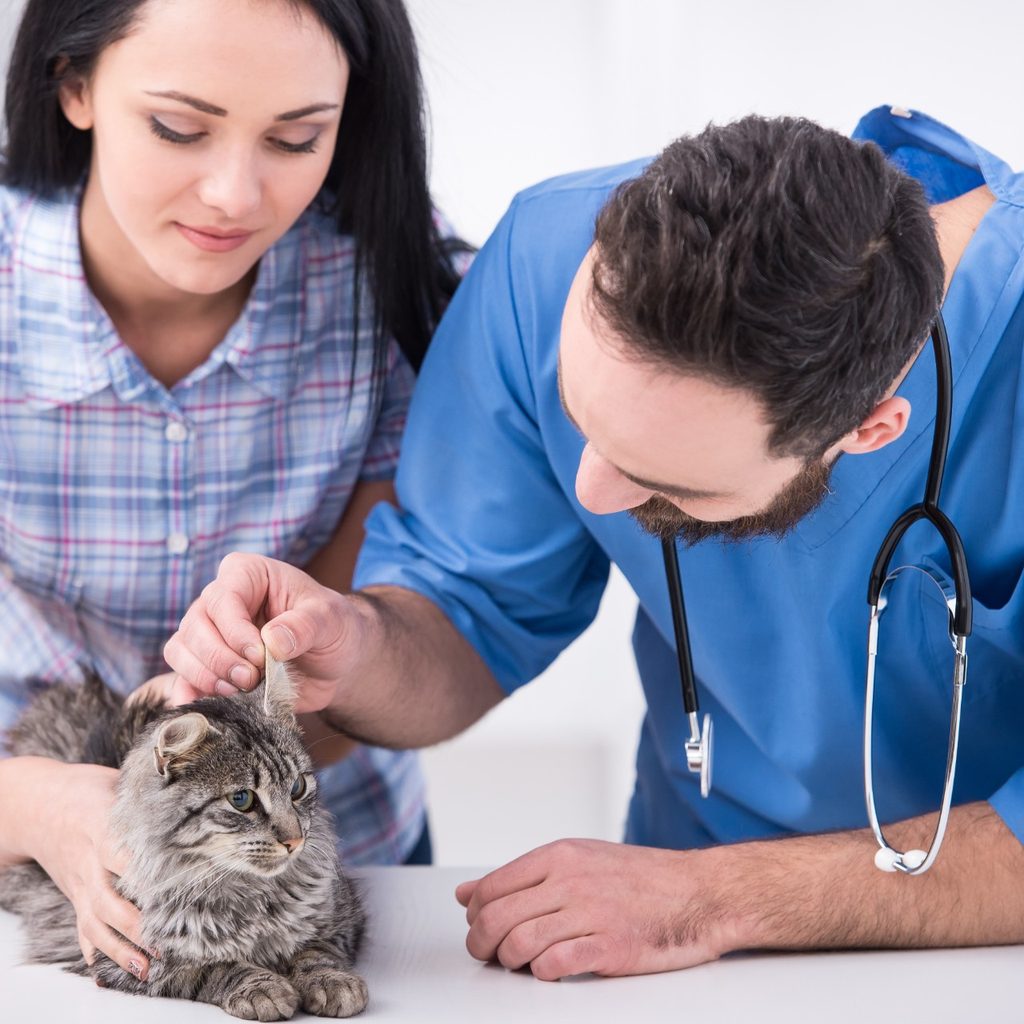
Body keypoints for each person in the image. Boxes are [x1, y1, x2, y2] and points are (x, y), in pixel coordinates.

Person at [164, 106, 1024, 980]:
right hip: (671, 939)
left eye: (672, 484)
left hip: (981, 946)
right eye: (579, 421)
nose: (591, 492)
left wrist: (716, 898)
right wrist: (357, 650)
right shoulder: (544, 256)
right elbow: (470, 608)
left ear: (871, 430)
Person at [0, 0, 467, 986]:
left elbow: (387, 630)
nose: (233, 194)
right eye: (178, 127)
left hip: (318, 870)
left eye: (297, 137)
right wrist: (37, 803)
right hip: (23, 889)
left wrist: (283, 688)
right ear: (73, 85)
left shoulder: (393, 279)